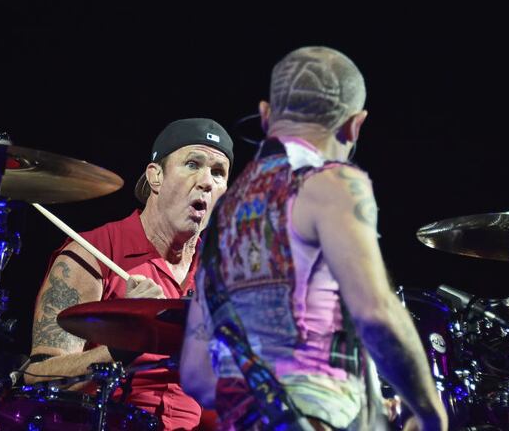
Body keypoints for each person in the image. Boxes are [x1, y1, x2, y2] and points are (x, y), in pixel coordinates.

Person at [180, 47, 449, 431]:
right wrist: (429, 412)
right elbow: (376, 314)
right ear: (354, 125)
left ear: (265, 114)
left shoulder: (224, 214)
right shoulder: (332, 181)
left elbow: (196, 376)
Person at [25, 118, 233, 430]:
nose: (206, 181)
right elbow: (38, 380)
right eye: (192, 164)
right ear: (156, 176)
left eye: (218, 173)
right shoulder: (92, 253)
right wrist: (126, 343)